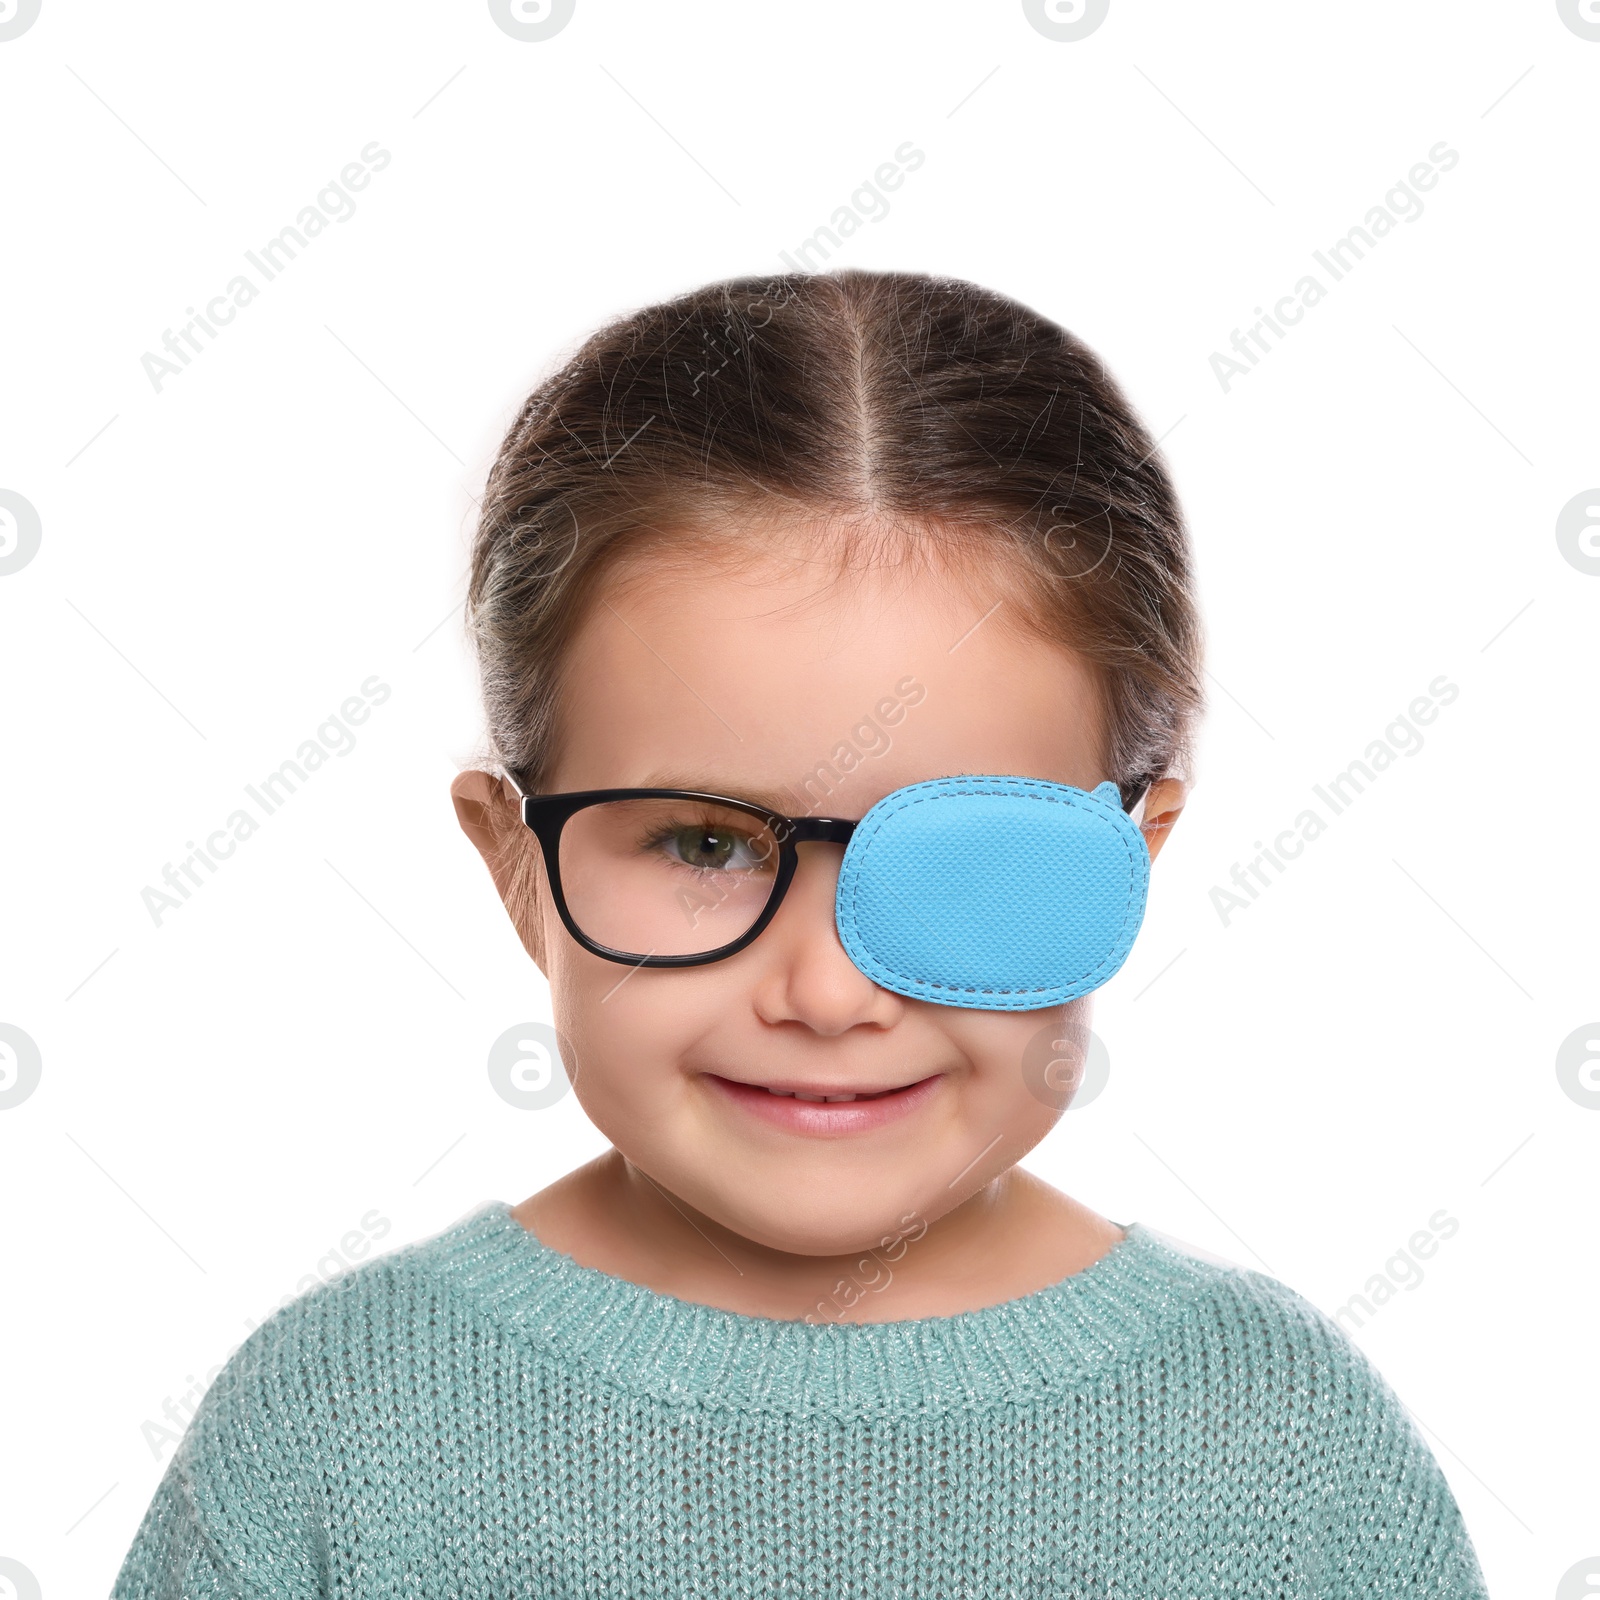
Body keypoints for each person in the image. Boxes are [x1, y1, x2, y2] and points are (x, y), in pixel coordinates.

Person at [113, 268, 1490, 1597]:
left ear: (1128, 863)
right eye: (705, 844)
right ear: (516, 865)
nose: (830, 993)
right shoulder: (328, 1443)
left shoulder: (1294, 1459)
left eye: (964, 854)